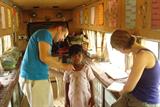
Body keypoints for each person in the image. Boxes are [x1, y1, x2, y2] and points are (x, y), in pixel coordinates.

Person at [19, 25, 74, 107]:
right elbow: (44, 58)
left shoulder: (45, 36)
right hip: (34, 79)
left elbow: (44, 65)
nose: (63, 39)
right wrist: (64, 66)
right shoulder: (45, 34)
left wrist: (61, 75)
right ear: (59, 29)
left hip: (36, 77)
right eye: (64, 35)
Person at [110, 29, 160, 107]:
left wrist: (122, 90)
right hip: (135, 94)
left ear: (122, 48)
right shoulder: (136, 52)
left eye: (118, 50)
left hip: (146, 100)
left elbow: (128, 88)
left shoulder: (143, 55)